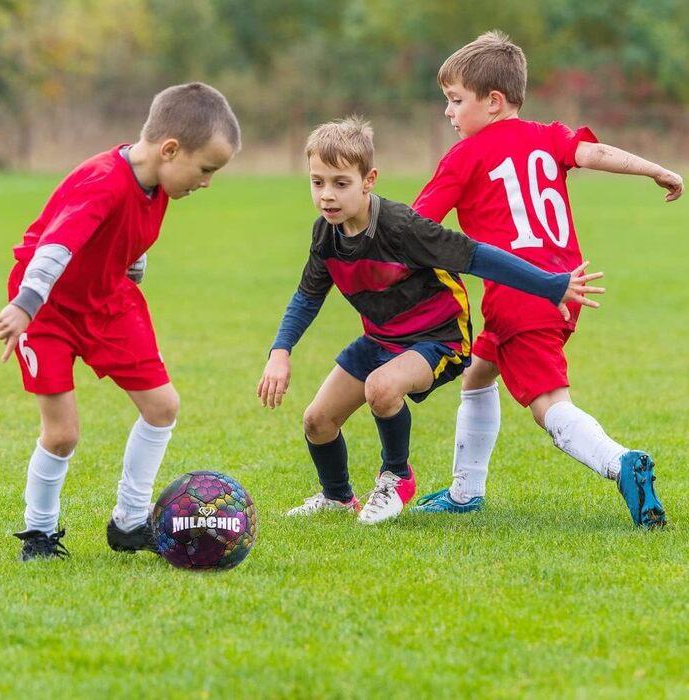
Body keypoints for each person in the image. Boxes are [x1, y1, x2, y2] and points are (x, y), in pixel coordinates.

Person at [257, 116, 603, 525]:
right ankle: (337, 497)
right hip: (383, 338)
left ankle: (396, 477)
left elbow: (478, 256)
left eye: (340, 183)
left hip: (439, 338)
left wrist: (550, 284)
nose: (327, 196)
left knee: (381, 388)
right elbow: (307, 296)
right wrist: (280, 351)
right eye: (318, 182)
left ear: (369, 180)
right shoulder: (325, 235)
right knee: (317, 420)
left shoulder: (401, 228)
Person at [410, 30, 684, 527]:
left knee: (549, 407)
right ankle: (466, 491)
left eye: (454, 100)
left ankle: (620, 462)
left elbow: (416, 226)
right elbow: (596, 155)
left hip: (520, 294)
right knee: (478, 373)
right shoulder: (548, 135)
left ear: (493, 102)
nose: (448, 112)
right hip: (565, 284)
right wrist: (656, 170)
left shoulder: (464, 157)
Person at [0, 82, 241, 560]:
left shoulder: (158, 181)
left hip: (108, 301)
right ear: (170, 149)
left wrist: (134, 264)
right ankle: (39, 533)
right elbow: (56, 246)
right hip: (48, 307)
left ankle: (130, 522)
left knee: (162, 406)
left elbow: (128, 233)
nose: (207, 181)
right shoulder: (103, 180)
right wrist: (26, 305)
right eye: (206, 168)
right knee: (62, 432)